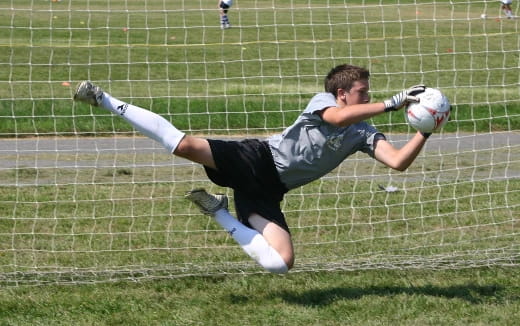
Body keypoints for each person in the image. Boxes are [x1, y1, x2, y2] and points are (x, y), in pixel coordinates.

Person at [73, 64, 431, 274]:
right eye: (362, 92)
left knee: (281, 262)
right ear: (341, 93)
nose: (368, 97)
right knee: (183, 146)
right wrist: (390, 104)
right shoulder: (324, 104)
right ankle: (104, 99)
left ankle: (221, 214)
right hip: (257, 158)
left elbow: (398, 162)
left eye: (369, 93)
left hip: (270, 190)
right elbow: (337, 118)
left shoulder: (363, 131)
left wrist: (424, 131)